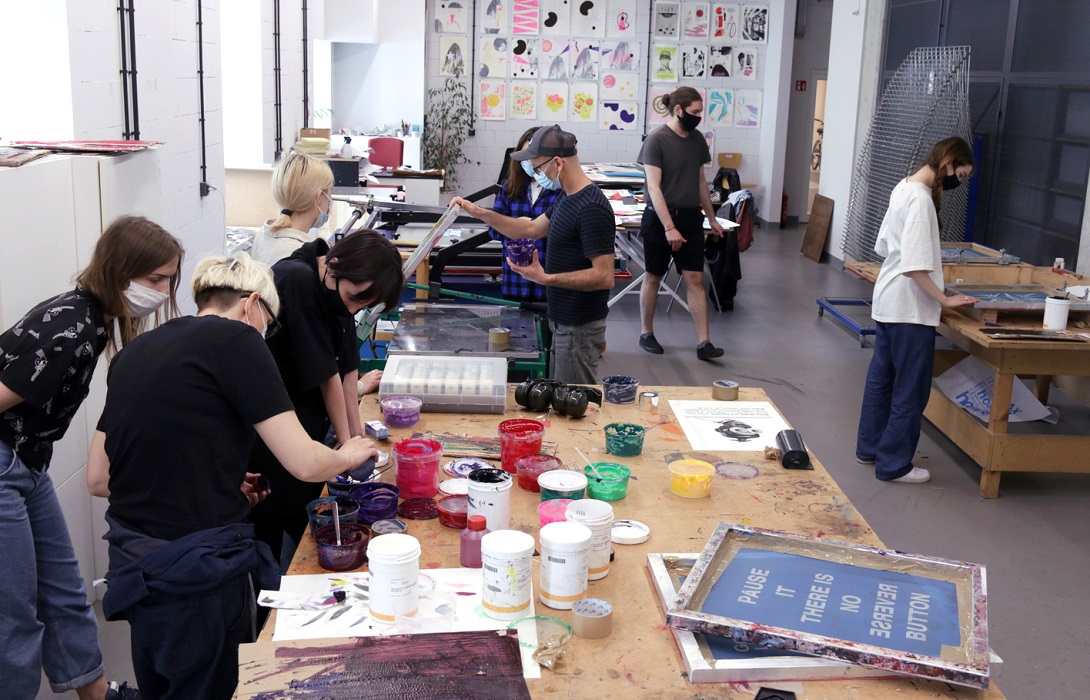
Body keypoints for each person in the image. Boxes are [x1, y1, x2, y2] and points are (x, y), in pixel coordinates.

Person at [87, 253, 377, 699]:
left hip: (135, 571)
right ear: (252, 304)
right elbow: (305, 462)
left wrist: (214, 478)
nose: (266, 334)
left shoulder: (135, 351)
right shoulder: (239, 341)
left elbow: (100, 477)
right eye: (270, 324)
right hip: (195, 579)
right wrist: (350, 451)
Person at [0, 215, 183, 700]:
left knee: (64, 590)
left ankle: (96, 692)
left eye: (168, 280)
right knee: (14, 617)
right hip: (4, 464)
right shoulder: (74, 326)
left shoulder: (92, 320)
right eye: (154, 280)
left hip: (27, 463)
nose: (161, 292)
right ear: (119, 270)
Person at [249, 231, 404, 562]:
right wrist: (347, 452)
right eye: (353, 298)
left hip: (310, 432)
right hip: (275, 439)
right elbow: (326, 376)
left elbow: (348, 374)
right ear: (335, 264)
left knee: (304, 530)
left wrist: (355, 441)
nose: (353, 308)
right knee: (277, 547)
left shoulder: (336, 286)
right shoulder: (297, 280)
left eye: (363, 304)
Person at [855, 137, 979, 484]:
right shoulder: (922, 200)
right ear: (950, 163)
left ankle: (870, 449)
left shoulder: (903, 187)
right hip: (909, 310)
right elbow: (913, 266)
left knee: (882, 381)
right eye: (962, 174)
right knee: (910, 388)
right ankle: (894, 464)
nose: (960, 181)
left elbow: (884, 246)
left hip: (888, 302)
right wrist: (944, 299)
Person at [451, 125, 615, 384]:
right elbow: (529, 228)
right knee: (560, 397)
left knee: (574, 401)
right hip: (562, 321)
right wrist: (478, 212)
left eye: (538, 167)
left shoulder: (591, 206)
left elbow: (604, 276)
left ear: (558, 163)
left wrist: (546, 278)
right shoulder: (567, 199)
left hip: (579, 325)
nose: (536, 173)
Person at [637, 86, 726, 360]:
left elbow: (701, 182)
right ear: (678, 110)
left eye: (701, 111)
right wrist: (668, 227)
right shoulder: (657, 140)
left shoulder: (698, 140)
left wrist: (711, 218)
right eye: (695, 111)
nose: (699, 116)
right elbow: (654, 188)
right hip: (660, 219)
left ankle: (704, 343)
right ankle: (646, 333)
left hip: (690, 217)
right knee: (653, 275)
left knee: (695, 279)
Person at [488, 127, 564, 352]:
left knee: (547, 345)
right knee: (514, 344)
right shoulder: (511, 187)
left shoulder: (559, 190)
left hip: (547, 279)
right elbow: (493, 228)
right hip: (515, 279)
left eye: (535, 158)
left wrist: (534, 230)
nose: (530, 163)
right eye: (525, 157)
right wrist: (517, 229)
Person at [251, 152, 335, 266]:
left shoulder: (263, 234)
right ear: (320, 197)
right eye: (330, 192)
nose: (331, 198)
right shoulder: (305, 255)